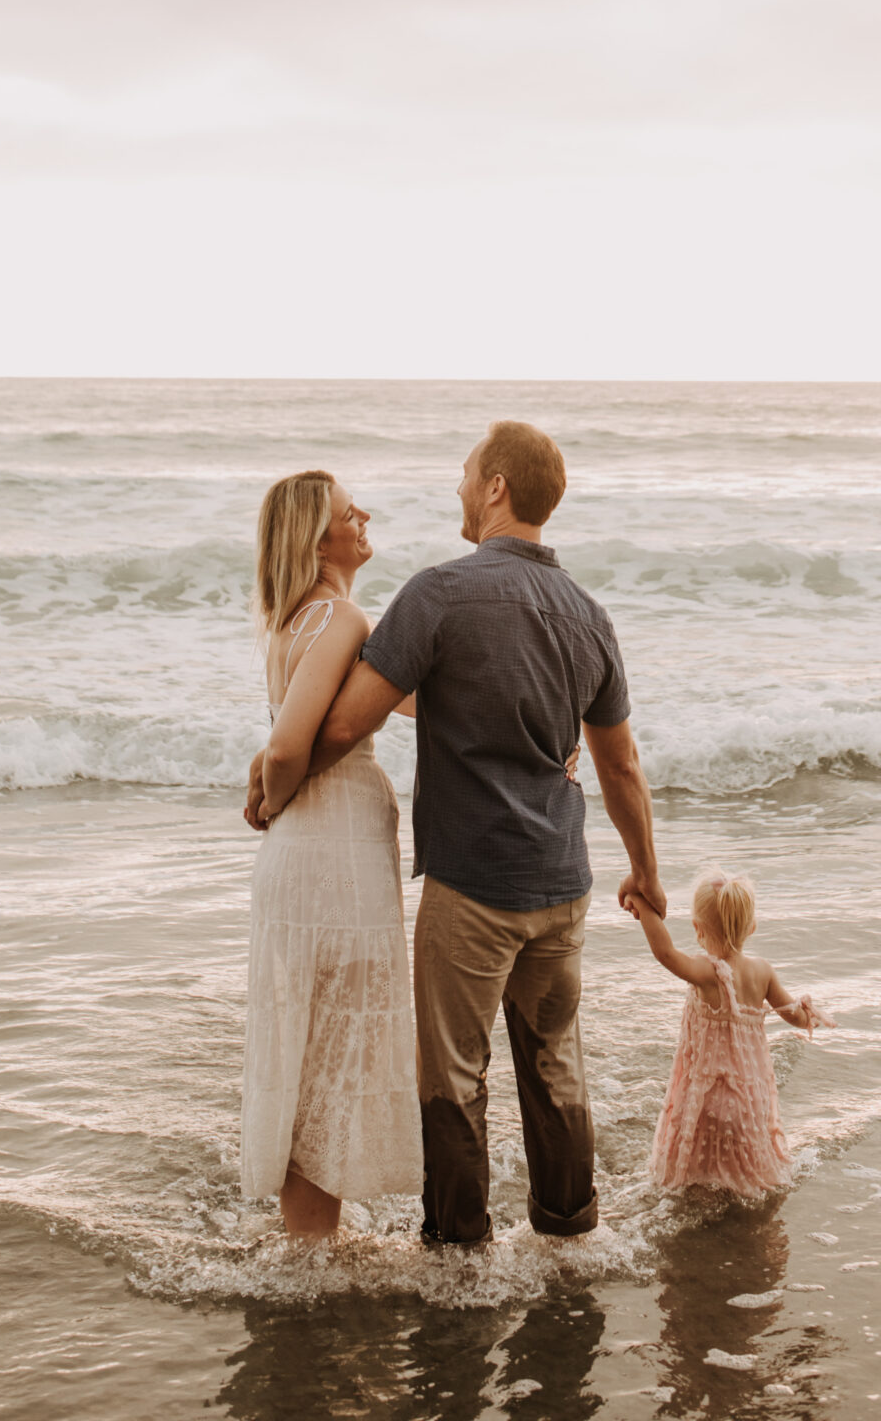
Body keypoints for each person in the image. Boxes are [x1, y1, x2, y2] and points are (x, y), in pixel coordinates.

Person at [258, 419, 664, 1245]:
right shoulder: (589, 615)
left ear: (495, 489)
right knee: (553, 1064)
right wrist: (646, 874)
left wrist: (273, 773)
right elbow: (619, 766)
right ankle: (567, 1232)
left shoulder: (438, 594)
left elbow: (338, 731)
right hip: (562, 878)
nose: (456, 487)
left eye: (464, 473)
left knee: (451, 1075)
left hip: (470, 885)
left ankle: (457, 1252)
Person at [239, 470, 423, 1236]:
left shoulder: (293, 624)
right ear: (321, 539)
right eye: (353, 513)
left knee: (305, 1042)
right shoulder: (340, 617)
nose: (366, 517)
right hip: (330, 853)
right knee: (337, 1040)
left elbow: (412, 700)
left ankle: (308, 1238)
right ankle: (312, 1249)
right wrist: (271, 798)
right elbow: (287, 748)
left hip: (305, 857)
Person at [624, 868, 831, 1196]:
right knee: (743, 1174)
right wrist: (809, 1016)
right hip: (748, 1099)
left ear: (697, 929)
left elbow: (665, 953)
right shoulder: (762, 971)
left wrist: (642, 903)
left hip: (706, 1098)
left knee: (697, 1175)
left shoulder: (708, 973)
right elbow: (791, 1013)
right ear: (752, 926)